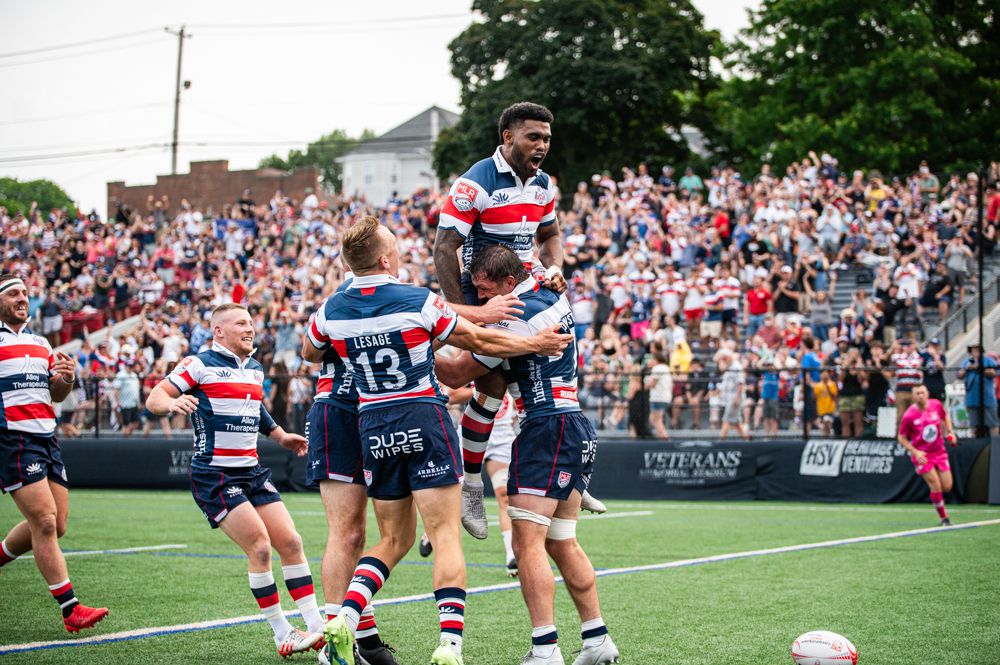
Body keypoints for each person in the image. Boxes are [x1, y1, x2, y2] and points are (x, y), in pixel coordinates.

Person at [317, 219, 572, 665]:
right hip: (422, 415)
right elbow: (470, 343)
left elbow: (309, 349)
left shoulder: (333, 309)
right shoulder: (416, 299)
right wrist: (534, 341)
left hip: (372, 423)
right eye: (393, 247)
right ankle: (449, 646)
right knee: (446, 536)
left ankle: (345, 615)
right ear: (384, 259)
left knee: (392, 539)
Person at [434, 245, 620, 665]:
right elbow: (542, 268)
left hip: (546, 429)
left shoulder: (514, 315)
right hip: (573, 424)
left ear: (509, 283)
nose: (482, 301)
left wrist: (415, 333)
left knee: (526, 543)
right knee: (561, 542)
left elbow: (457, 371)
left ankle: (545, 649)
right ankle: (596, 640)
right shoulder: (547, 289)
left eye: (485, 291)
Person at [433, 101, 601, 537]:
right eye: (534, 137)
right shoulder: (475, 184)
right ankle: (472, 486)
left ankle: (574, 481)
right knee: (488, 386)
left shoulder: (543, 184)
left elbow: (550, 235)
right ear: (508, 137)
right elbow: (444, 246)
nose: (542, 145)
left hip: (527, 288)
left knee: (554, 370)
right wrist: (462, 315)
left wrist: (556, 266)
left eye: (547, 138)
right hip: (487, 295)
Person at [145, 303, 325, 657]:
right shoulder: (199, 364)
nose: (250, 328)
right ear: (219, 331)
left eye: (251, 323)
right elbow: (155, 397)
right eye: (241, 323)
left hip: (252, 471)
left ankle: (318, 627)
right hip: (215, 473)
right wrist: (172, 403)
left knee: (290, 541)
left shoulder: (255, 369)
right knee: (259, 546)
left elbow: (254, 408)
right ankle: (281, 633)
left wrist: (279, 435)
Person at [300, 271, 400, 665]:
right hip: (340, 413)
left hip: (370, 416)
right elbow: (309, 352)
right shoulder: (343, 304)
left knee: (364, 534)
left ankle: (367, 637)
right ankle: (334, 644)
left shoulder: (365, 304)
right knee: (347, 532)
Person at [0, 274, 109, 632]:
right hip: (13, 440)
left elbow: (56, 394)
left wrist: (65, 377)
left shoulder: (40, 342)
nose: (22, 298)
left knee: (56, 524)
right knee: (44, 522)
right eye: (13, 293)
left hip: (46, 439)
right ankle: (70, 610)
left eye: (25, 293)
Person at [897, 384, 958, 526]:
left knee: (947, 486)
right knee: (935, 485)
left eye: (922, 392)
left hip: (939, 451)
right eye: (917, 393)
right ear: (913, 396)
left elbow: (945, 416)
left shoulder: (936, 405)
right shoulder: (909, 415)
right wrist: (915, 452)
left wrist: (950, 432)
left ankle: (941, 509)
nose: (920, 395)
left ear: (928, 393)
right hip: (923, 455)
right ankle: (944, 518)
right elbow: (901, 437)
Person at [957, 344, 999, 436]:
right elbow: (959, 375)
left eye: (977, 350)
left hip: (987, 398)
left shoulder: (988, 360)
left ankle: (996, 446)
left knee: (992, 424)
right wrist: (967, 368)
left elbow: (994, 373)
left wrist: (980, 368)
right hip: (972, 398)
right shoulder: (967, 362)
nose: (975, 352)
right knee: (973, 425)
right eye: (973, 350)